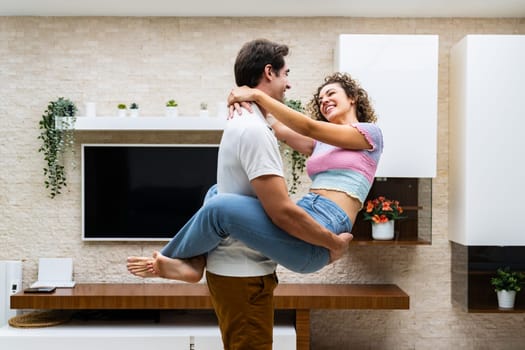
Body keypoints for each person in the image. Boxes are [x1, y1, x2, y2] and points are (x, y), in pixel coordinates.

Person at [128, 39, 355, 350]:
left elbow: (298, 132)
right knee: (219, 203)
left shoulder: (244, 122)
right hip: (243, 273)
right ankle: (176, 258)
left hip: (239, 269)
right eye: (286, 73)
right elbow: (282, 212)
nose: (289, 83)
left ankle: (191, 260)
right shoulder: (253, 131)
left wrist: (248, 96)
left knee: (216, 192)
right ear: (269, 73)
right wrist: (333, 244)